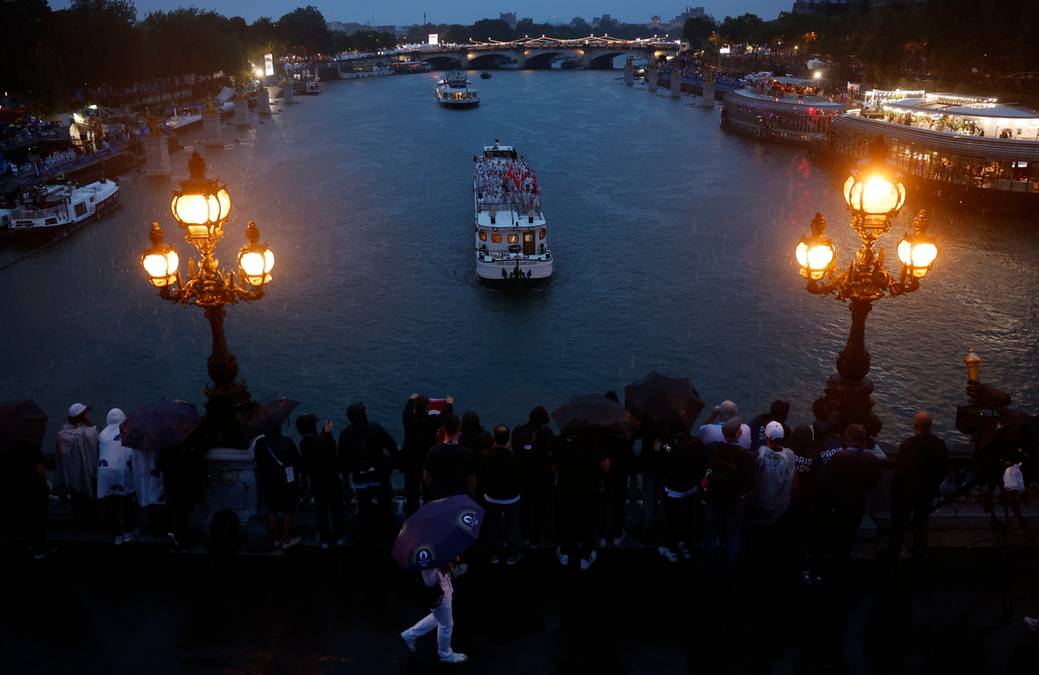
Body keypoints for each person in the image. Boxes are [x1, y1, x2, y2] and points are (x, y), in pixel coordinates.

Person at [815, 424, 886, 582]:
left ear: (847, 439)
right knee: (848, 538)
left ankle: (829, 571)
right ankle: (841, 569)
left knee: (833, 536)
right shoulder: (872, 460)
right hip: (858, 504)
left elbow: (826, 479)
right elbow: (873, 484)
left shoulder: (839, 458)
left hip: (838, 504)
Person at [888, 411, 948, 566]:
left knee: (900, 521)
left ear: (915, 426)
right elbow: (943, 469)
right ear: (931, 426)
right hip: (927, 490)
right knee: (922, 522)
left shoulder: (908, 445)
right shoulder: (940, 444)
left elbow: (899, 470)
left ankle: (897, 551)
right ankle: (921, 552)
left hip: (907, 490)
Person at [339, 402, 398, 551]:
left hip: (360, 477)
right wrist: (392, 463)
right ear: (363, 414)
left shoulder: (346, 433)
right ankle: (388, 538)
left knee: (364, 508)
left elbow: (342, 458)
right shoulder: (375, 428)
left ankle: (365, 540)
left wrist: (347, 477)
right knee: (385, 506)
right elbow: (391, 445)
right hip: (379, 475)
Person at [701, 417, 756, 574]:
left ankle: (708, 566)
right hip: (734, 500)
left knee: (710, 533)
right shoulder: (746, 456)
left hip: (712, 498)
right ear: (739, 433)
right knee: (733, 536)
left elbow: (704, 469)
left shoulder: (711, 448)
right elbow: (751, 481)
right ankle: (730, 570)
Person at [556, 428, 608, 570]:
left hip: (568, 488)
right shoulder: (594, 439)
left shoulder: (564, 438)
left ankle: (565, 553)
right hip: (588, 489)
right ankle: (586, 556)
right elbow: (606, 466)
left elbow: (556, 463)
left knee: (567, 520)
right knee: (588, 522)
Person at [401, 560, 469, 664]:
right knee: (446, 625)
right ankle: (445, 654)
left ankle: (410, 635)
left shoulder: (433, 551)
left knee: (438, 618)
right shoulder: (427, 555)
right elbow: (430, 581)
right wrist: (446, 569)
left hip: (443, 589)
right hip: (438, 594)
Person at [750, 421, 798, 566]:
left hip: (759, 505)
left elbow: (754, 480)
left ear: (767, 436)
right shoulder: (789, 457)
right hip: (779, 508)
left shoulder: (760, 455)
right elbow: (794, 482)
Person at [2, 435, 55, 560]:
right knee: (37, 518)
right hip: (31, 488)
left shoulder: (4, 446)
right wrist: (45, 486)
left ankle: (20, 545)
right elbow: (40, 469)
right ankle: (39, 547)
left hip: (8, 489)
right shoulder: (28, 445)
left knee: (13, 518)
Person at [298, 414, 346, 549]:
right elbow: (332, 448)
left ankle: (324, 540)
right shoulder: (322, 440)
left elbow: (314, 443)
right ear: (312, 426)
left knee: (321, 511)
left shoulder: (303, 444)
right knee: (337, 509)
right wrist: (328, 434)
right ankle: (340, 536)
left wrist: (323, 434)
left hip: (317, 482)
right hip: (332, 480)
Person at [658, 433, 707, 562]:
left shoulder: (673, 450)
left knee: (672, 521)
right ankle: (687, 547)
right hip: (691, 489)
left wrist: (663, 444)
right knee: (689, 520)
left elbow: (664, 460)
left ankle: (671, 549)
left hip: (674, 492)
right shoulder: (697, 446)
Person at [479, 425, 523, 564]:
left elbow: (483, 477)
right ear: (508, 439)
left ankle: (493, 555)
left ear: (494, 439)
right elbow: (520, 478)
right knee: (513, 527)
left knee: (492, 526)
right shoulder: (515, 457)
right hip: (511, 499)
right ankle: (513, 554)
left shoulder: (487, 457)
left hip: (492, 498)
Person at [511, 406, 555, 546]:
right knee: (539, 508)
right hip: (541, 479)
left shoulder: (518, 431)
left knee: (524, 507)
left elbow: (515, 448)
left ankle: (524, 534)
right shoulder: (547, 434)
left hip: (522, 477)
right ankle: (536, 537)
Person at [255, 423, 304, 550]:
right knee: (288, 510)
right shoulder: (287, 441)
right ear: (279, 428)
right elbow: (297, 461)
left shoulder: (260, 443)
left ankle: (276, 538)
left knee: (272, 510)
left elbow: (258, 461)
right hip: (285, 481)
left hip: (268, 481)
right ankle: (287, 539)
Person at [402, 395, 453, 514]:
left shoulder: (409, 420)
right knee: (428, 493)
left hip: (411, 462)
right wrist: (449, 404)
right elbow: (444, 416)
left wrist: (410, 400)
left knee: (411, 495)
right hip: (427, 462)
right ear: (428, 407)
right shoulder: (432, 421)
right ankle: (427, 518)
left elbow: (407, 411)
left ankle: (410, 520)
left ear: (415, 407)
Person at [55, 403, 99, 531]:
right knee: (89, 500)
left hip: (72, 476)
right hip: (89, 473)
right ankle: (91, 525)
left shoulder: (62, 435)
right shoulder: (91, 433)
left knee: (76, 500)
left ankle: (79, 525)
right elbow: (95, 453)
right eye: (86, 413)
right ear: (83, 416)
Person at [97, 408, 136, 545]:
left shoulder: (102, 434)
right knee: (125, 502)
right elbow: (131, 454)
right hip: (121, 469)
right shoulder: (127, 431)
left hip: (104, 471)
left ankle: (117, 534)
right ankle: (128, 532)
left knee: (111, 502)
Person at [424, 415, 475, 501]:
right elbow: (472, 480)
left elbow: (426, 477)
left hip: (439, 496)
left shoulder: (433, 452)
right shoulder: (467, 453)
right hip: (460, 497)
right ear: (459, 428)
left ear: (443, 428)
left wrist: (433, 491)